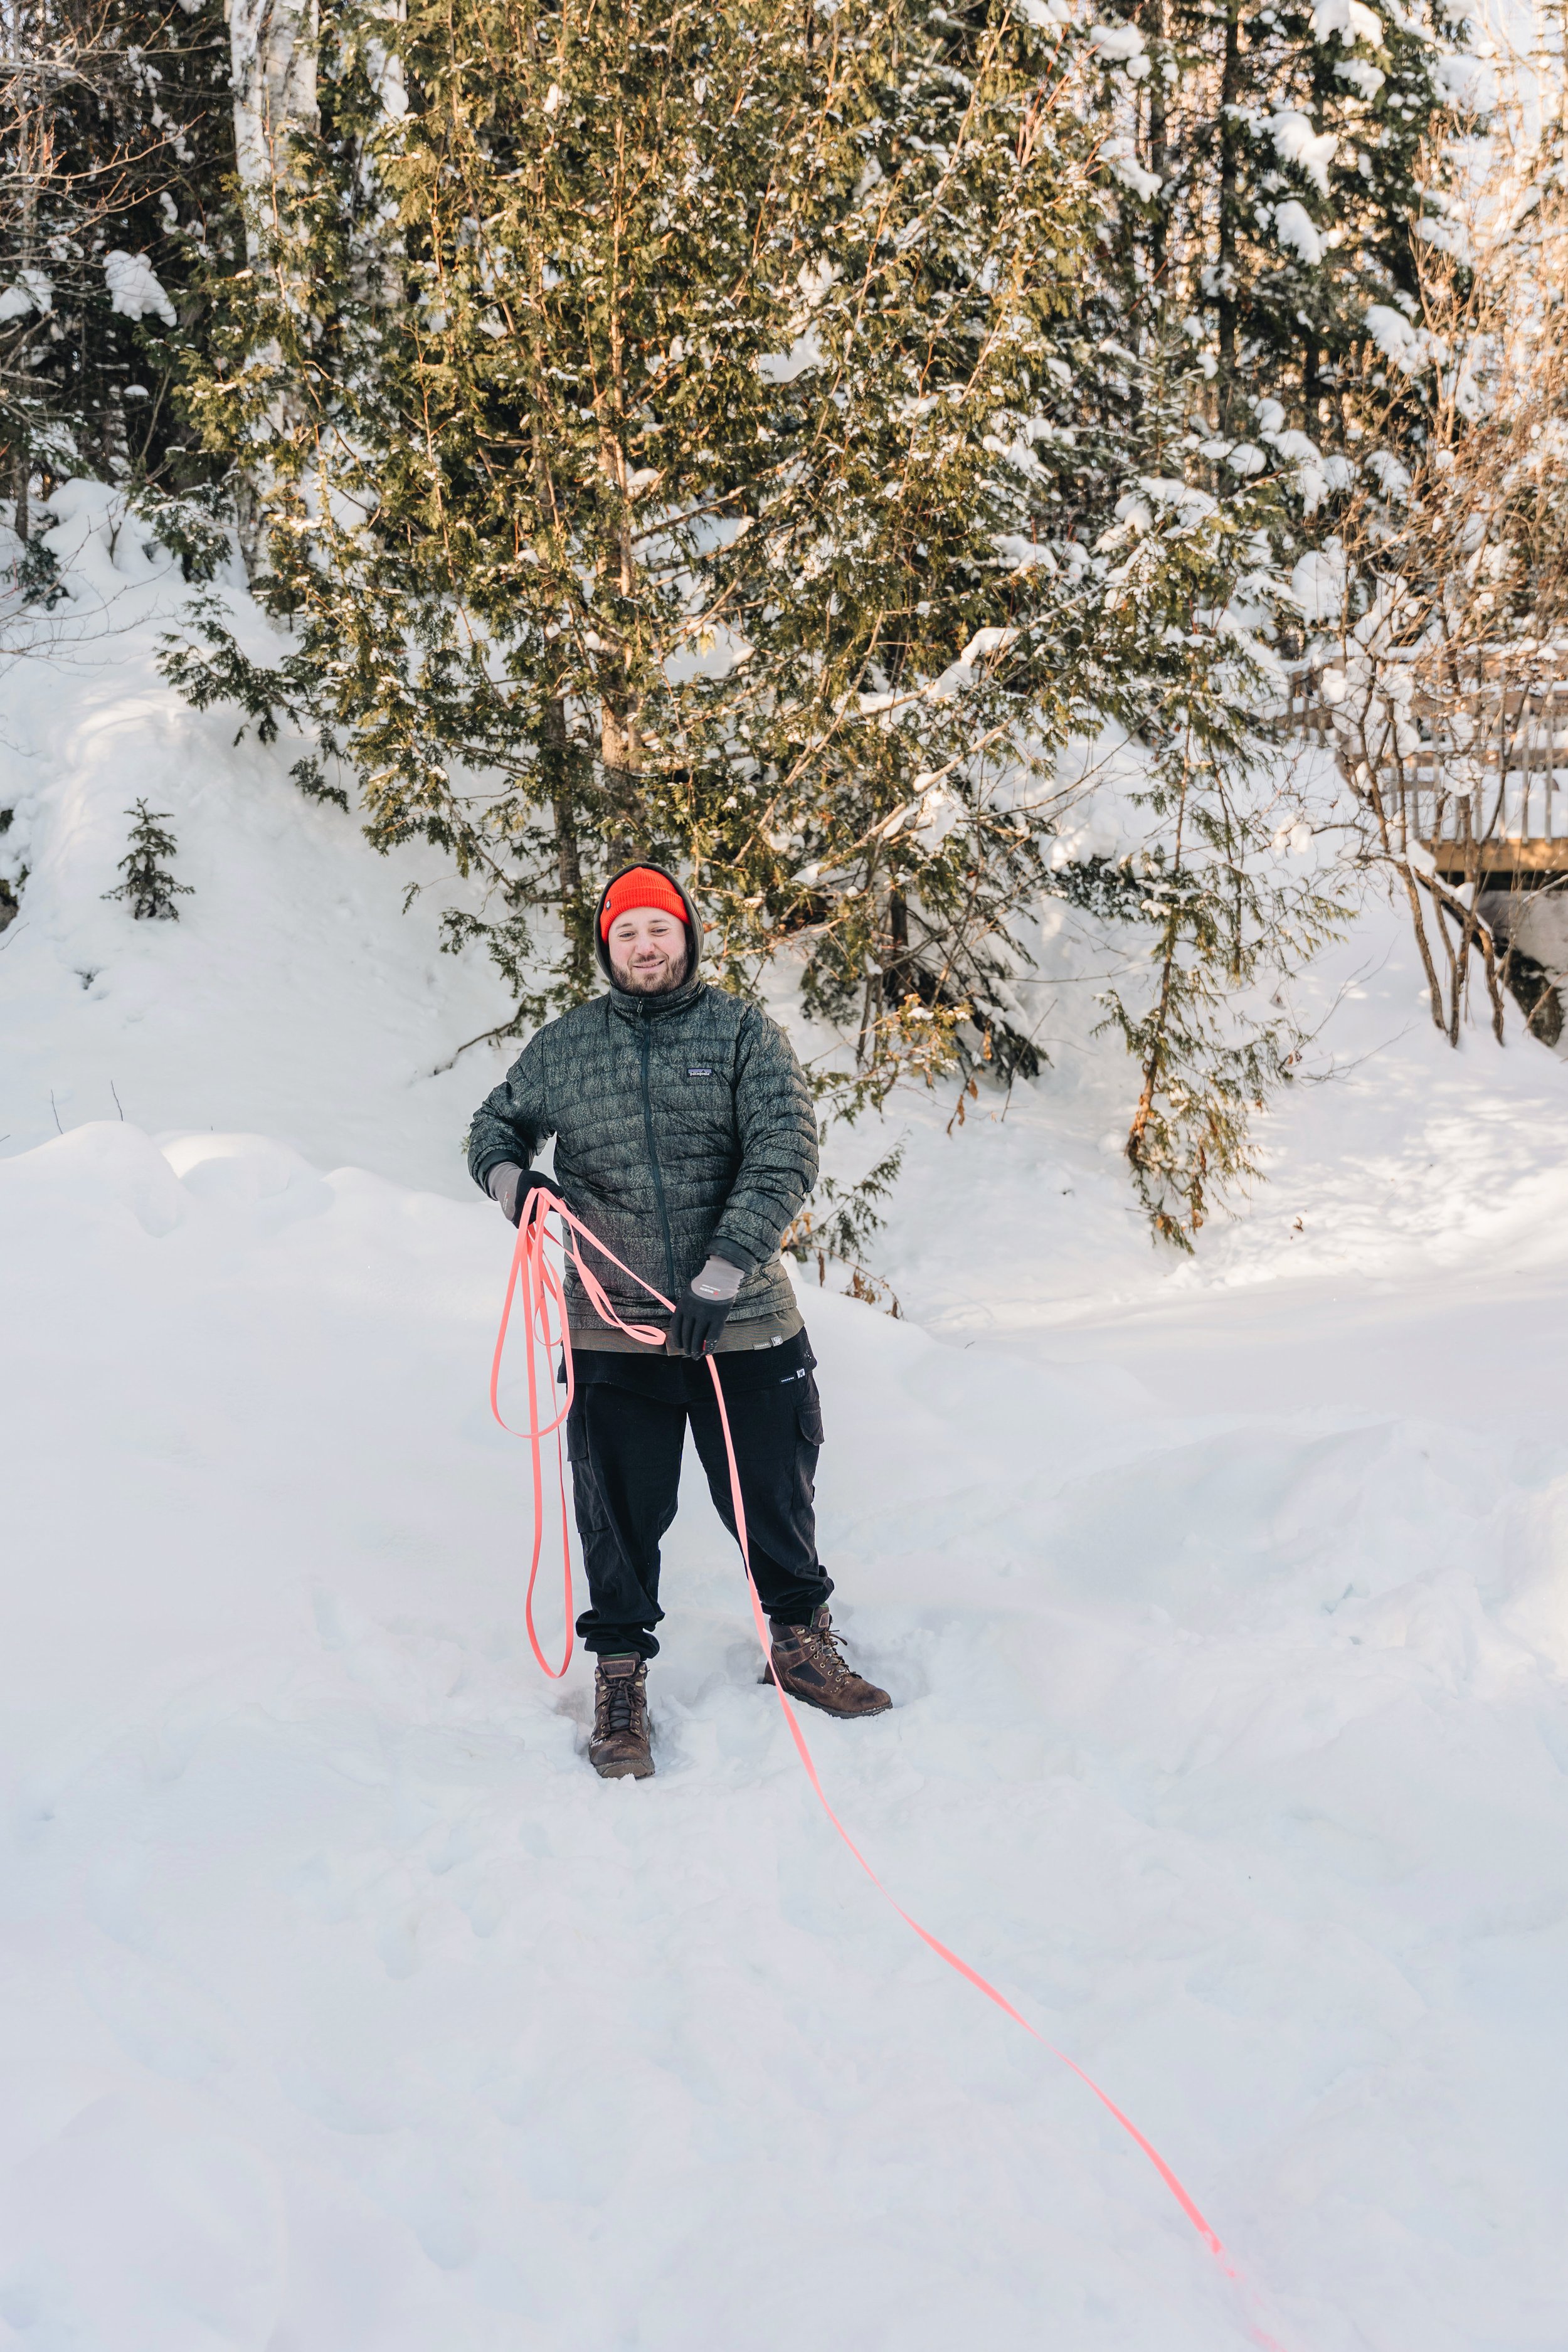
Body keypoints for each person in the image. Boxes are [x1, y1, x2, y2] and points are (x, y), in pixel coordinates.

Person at [469, 862, 891, 1780]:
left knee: (772, 1494)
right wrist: (513, 1183)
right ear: (607, 947)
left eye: (659, 928)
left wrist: (723, 1269)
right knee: (617, 1511)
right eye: (626, 932)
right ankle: (620, 1680)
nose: (645, 945)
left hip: (741, 1318)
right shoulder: (567, 1046)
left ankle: (799, 1641)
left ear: (687, 936)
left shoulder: (741, 1031)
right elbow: (492, 1127)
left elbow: (785, 1149)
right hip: (612, 1326)